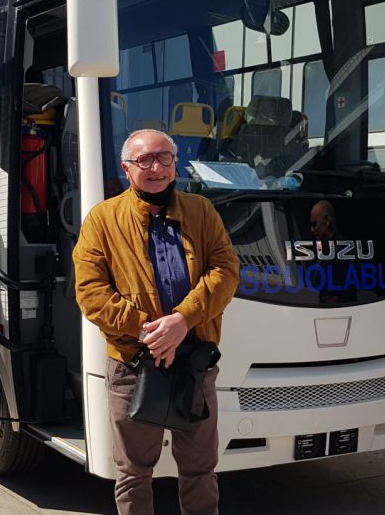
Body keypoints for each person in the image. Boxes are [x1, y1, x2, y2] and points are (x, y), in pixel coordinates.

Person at [73, 129, 240, 515]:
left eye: (164, 158)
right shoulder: (102, 219)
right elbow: (90, 292)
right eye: (144, 160)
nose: (156, 167)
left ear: (175, 165)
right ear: (126, 169)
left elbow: (226, 270)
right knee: (133, 473)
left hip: (194, 363)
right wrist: (149, 331)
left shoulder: (201, 211)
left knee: (200, 469)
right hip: (133, 365)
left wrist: (182, 320)